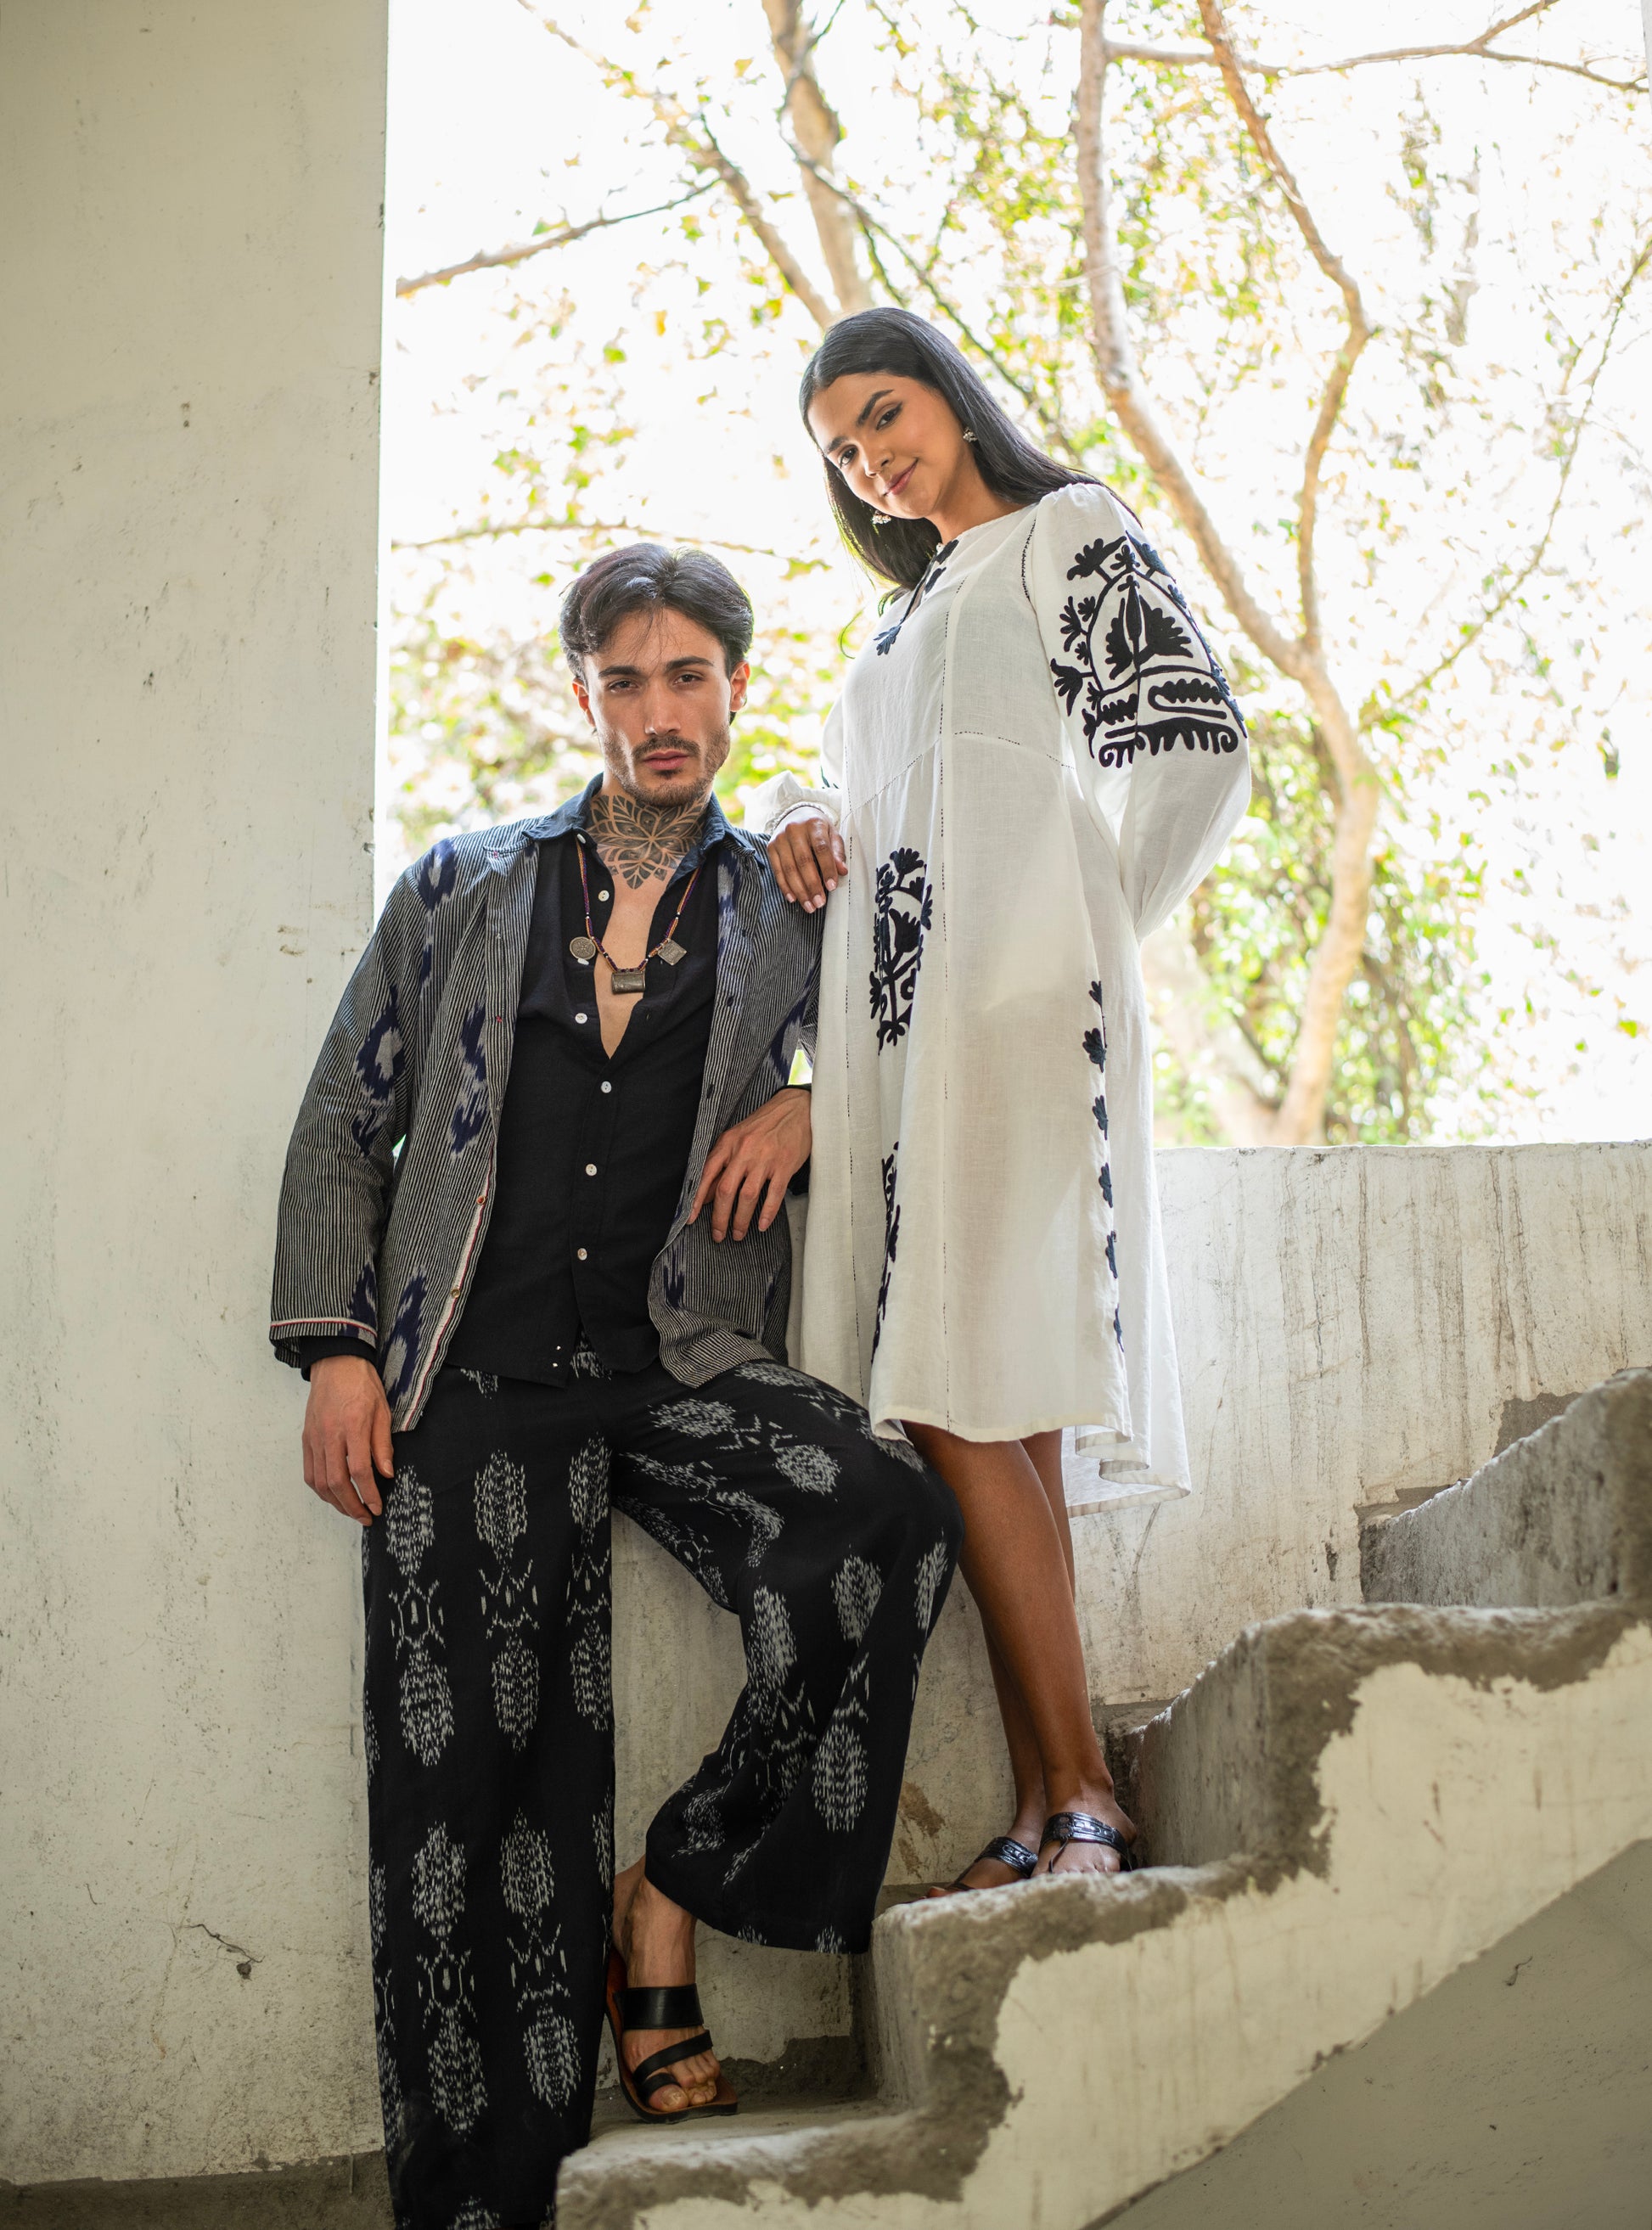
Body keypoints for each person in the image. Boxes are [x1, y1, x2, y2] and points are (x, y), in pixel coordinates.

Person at [270, 542, 961, 2230]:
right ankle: (479, 2202)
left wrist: (817, 1103)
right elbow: (346, 1117)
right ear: (582, 695)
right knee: (472, 1792)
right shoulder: (463, 883)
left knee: (879, 1520)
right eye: (627, 680)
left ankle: (683, 1882)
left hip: (678, 1359)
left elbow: (927, 1024)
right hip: (468, 1373)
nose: (661, 711)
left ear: (735, 687)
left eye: (689, 677)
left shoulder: (790, 894)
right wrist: (339, 1350)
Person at [755, 309, 1249, 1894]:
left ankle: (1086, 1785)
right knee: (989, 1393)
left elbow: (1192, 741)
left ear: (950, 399)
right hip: (905, 1045)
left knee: (954, 1386)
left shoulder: (1063, 530)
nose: (869, 460)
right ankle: (1050, 1804)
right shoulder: (896, 622)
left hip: (1022, 1018)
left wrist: (1078, 944)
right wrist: (796, 806)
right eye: (841, 450)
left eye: (883, 415)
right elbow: (870, 793)